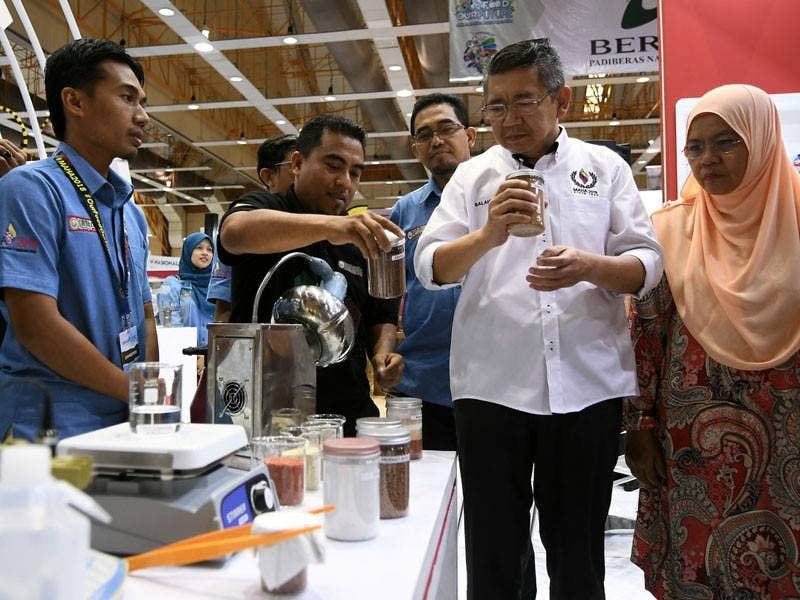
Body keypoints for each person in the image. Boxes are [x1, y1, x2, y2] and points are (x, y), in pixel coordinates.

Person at [414, 39, 663, 599]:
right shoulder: (472, 177)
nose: (509, 118)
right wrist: (488, 235)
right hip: (490, 385)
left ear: (562, 101)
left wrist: (589, 266)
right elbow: (430, 267)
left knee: (578, 554)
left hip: (586, 383)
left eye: (524, 101)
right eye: (496, 106)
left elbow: (647, 265)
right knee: (494, 552)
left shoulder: (604, 169)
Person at [624, 84, 800, 599]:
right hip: (692, 448)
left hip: (790, 433)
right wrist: (639, 427)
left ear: (762, 141)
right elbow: (645, 337)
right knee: (700, 567)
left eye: (726, 142)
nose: (708, 159)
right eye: (695, 147)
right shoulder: (668, 230)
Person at [0, 38, 156, 440]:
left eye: (142, 103)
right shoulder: (32, 189)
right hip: (48, 425)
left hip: (122, 421)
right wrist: (136, 392)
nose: (142, 116)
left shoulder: (130, 213)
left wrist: (147, 396)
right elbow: (36, 324)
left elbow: (144, 315)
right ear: (75, 101)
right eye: (127, 98)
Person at [217, 115, 404, 436]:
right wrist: (333, 227)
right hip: (267, 418)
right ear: (297, 163)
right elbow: (234, 234)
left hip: (346, 416)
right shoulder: (265, 207)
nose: (345, 182)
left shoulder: (358, 239)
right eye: (333, 166)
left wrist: (383, 353)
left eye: (355, 172)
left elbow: (380, 315)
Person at [388, 93, 475, 450]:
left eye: (446, 129)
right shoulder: (405, 211)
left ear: (470, 136)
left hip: (494, 379)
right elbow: (391, 290)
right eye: (424, 135)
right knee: (421, 479)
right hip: (421, 379)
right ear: (415, 150)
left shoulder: (500, 196)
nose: (436, 141)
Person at [207, 134, 297, 324]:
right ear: (269, 176)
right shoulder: (245, 224)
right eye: (295, 165)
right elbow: (224, 307)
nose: (303, 172)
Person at [157, 232, 215, 346]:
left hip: (215, 352)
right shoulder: (172, 286)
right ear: (188, 251)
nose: (205, 253)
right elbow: (170, 327)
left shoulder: (215, 286)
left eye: (209, 249)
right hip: (185, 352)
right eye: (199, 248)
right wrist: (194, 353)